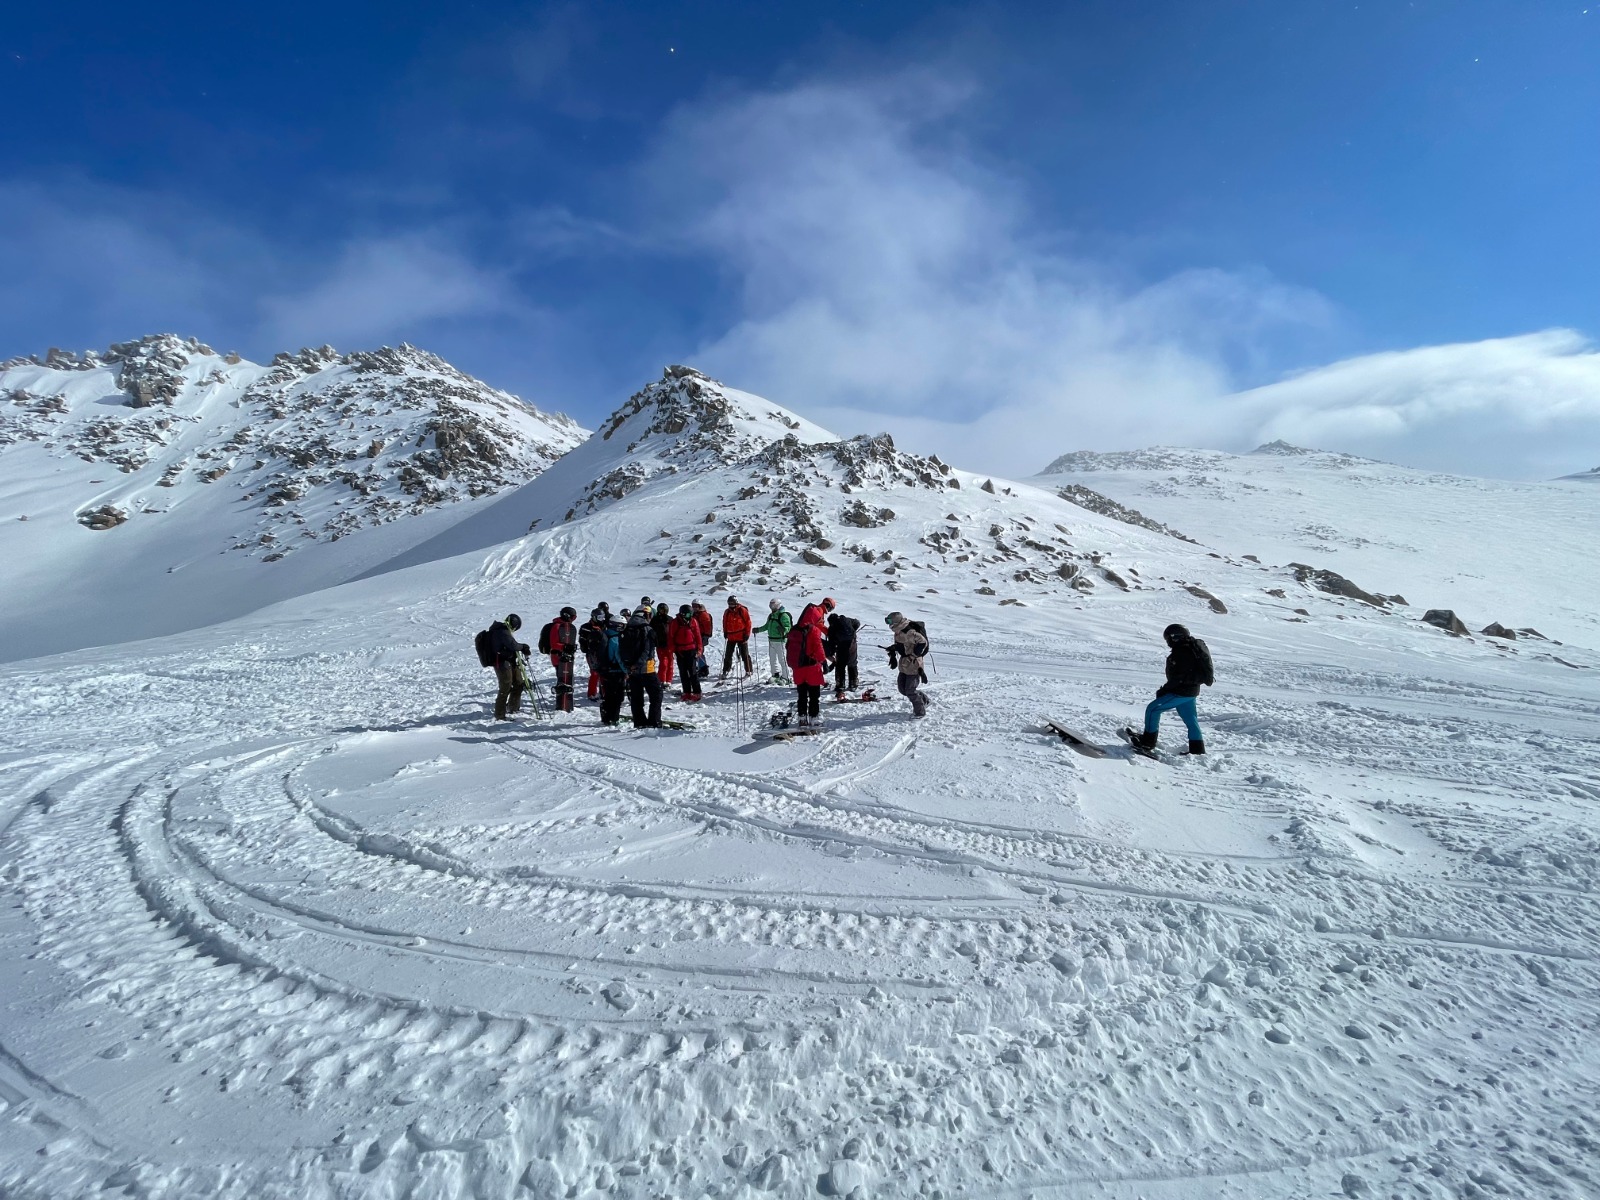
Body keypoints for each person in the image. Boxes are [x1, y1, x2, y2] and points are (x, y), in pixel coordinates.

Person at [1125, 624, 1213, 754]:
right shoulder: (1189, 649)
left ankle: (1147, 743)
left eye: (1168, 639)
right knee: (1191, 720)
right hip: (1190, 692)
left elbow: (1179, 678)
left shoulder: (1183, 652)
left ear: (1174, 637)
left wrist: (1164, 690)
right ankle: (1197, 750)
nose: (1167, 642)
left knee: (1153, 709)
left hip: (1181, 692)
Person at [786, 603, 829, 727]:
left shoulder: (794, 629)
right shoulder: (813, 630)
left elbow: (788, 646)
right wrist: (824, 662)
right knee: (814, 695)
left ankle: (802, 718)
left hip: (798, 667)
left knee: (802, 694)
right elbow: (818, 648)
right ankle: (813, 718)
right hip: (812, 668)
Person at [621, 607, 663, 728]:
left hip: (632, 670)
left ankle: (639, 722)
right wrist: (638, 664)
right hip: (646, 669)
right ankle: (654, 721)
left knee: (636, 697)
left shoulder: (626, 628)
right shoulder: (647, 629)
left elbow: (621, 649)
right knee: (656, 695)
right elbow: (647, 650)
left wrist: (629, 666)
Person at [885, 611, 930, 719]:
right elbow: (904, 644)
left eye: (890, 621)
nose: (889, 624)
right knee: (902, 689)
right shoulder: (898, 631)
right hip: (904, 663)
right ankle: (924, 700)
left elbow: (923, 642)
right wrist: (893, 648)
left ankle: (920, 712)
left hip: (913, 664)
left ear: (896, 622)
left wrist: (914, 655)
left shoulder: (909, 631)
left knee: (910, 690)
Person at [487, 613, 531, 721]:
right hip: (502, 663)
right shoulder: (502, 631)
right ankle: (499, 715)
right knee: (505, 687)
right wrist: (523, 647)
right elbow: (513, 645)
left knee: (518, 683)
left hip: (509, 661)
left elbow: (511, 645)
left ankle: (513, 707)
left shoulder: (502, 630)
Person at [596, 612, 628, 726]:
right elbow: (618, 657)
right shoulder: (615, 639)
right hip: (616, 671)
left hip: (605, 670)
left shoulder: (605, 634)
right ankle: (613, 718)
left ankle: (607, 717)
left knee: (608, 695)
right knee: (617, 697)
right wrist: (626, 671)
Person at [667, 605, 704, 701]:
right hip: (680, 651)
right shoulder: (675, 622)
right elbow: (671, 637)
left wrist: (699, 649)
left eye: (691, 614)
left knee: (692, 672)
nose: (690, 616)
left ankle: (697, 692)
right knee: (683, 672)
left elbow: (698, 636)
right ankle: (686, 692)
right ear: (683, 614)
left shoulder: (693, 621)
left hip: (691, 650)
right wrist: (672, 650)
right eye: (688, 614)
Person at [824, 602, 861, 698]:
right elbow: (857, 623)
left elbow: (831, 643)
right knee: (852, 664)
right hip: (852, 645)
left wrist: (831, 653)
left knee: (840, 666)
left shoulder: (832, 628)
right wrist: (853, 631)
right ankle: (853, 684)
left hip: (841, 647)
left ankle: (840, 685)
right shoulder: (847, 620)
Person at [548, 606, 578, 712]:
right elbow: (554, 643)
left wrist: (571, 647)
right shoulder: (557, 626)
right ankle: (561, 703)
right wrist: (565, 647)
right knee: (562, 679)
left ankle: (565, 701)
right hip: (558, 657)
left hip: (565, 657)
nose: (573, 620)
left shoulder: (565, 627)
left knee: (567, 679)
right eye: (572, 617)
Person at [756, 599, 793, 683]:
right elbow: (767, 626)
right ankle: (775, 674)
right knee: (772, 659)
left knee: (782, 659)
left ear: (778, 605)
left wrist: (784, 630)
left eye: (773, 605)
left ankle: (786, 677)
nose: (772, 607)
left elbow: (788, 627)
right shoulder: (771, 616)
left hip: (780, 641)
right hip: (771, 640)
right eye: (771, 605)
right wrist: (758, 630)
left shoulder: (783, 615)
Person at [720, 595, 753, 678]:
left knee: (744, 654)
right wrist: (725, 632)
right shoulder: (727, 612)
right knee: (728, 655)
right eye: (729, 603)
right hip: (731, 636)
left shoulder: (742, 610)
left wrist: (747, 634)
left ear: (736, 603)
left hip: (741, 636)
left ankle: (749, 670)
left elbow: (748, 622)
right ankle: (726, 670)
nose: (731, 605)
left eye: (732, 603)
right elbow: (724, 622)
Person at [579, 608, 606, 701]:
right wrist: (587, 648)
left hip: (603, 652)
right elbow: (582, 641)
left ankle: (604, 692)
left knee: (604, 673)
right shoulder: (586, 627)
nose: (602, 619)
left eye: (603, 617)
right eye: (600, 617)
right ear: (594, 617)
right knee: (594, 673)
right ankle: (591, 693)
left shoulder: (605, 625)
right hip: (592, 653)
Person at [651, 602, 675, 687]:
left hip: (670, 644)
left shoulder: (670, 619)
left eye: (664, 610)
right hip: (660, 644)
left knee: (670, 663)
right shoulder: (655, 620)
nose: (662, 612)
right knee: (663, 663)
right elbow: (652, 631)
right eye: (661, 610)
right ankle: (662, 680)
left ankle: (668, 680)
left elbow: (674, 631)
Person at [691, 601, 714, 677]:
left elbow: (707, 627)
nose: (694, 608)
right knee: (696, 652)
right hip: (695, 636)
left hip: (702, 636)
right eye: (693, 606)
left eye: (696, 606)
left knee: (699, 652)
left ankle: (703, 670)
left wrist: (705, 636)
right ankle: (700, 667)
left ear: (700, 606)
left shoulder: (703, 615)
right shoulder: (695, 614)